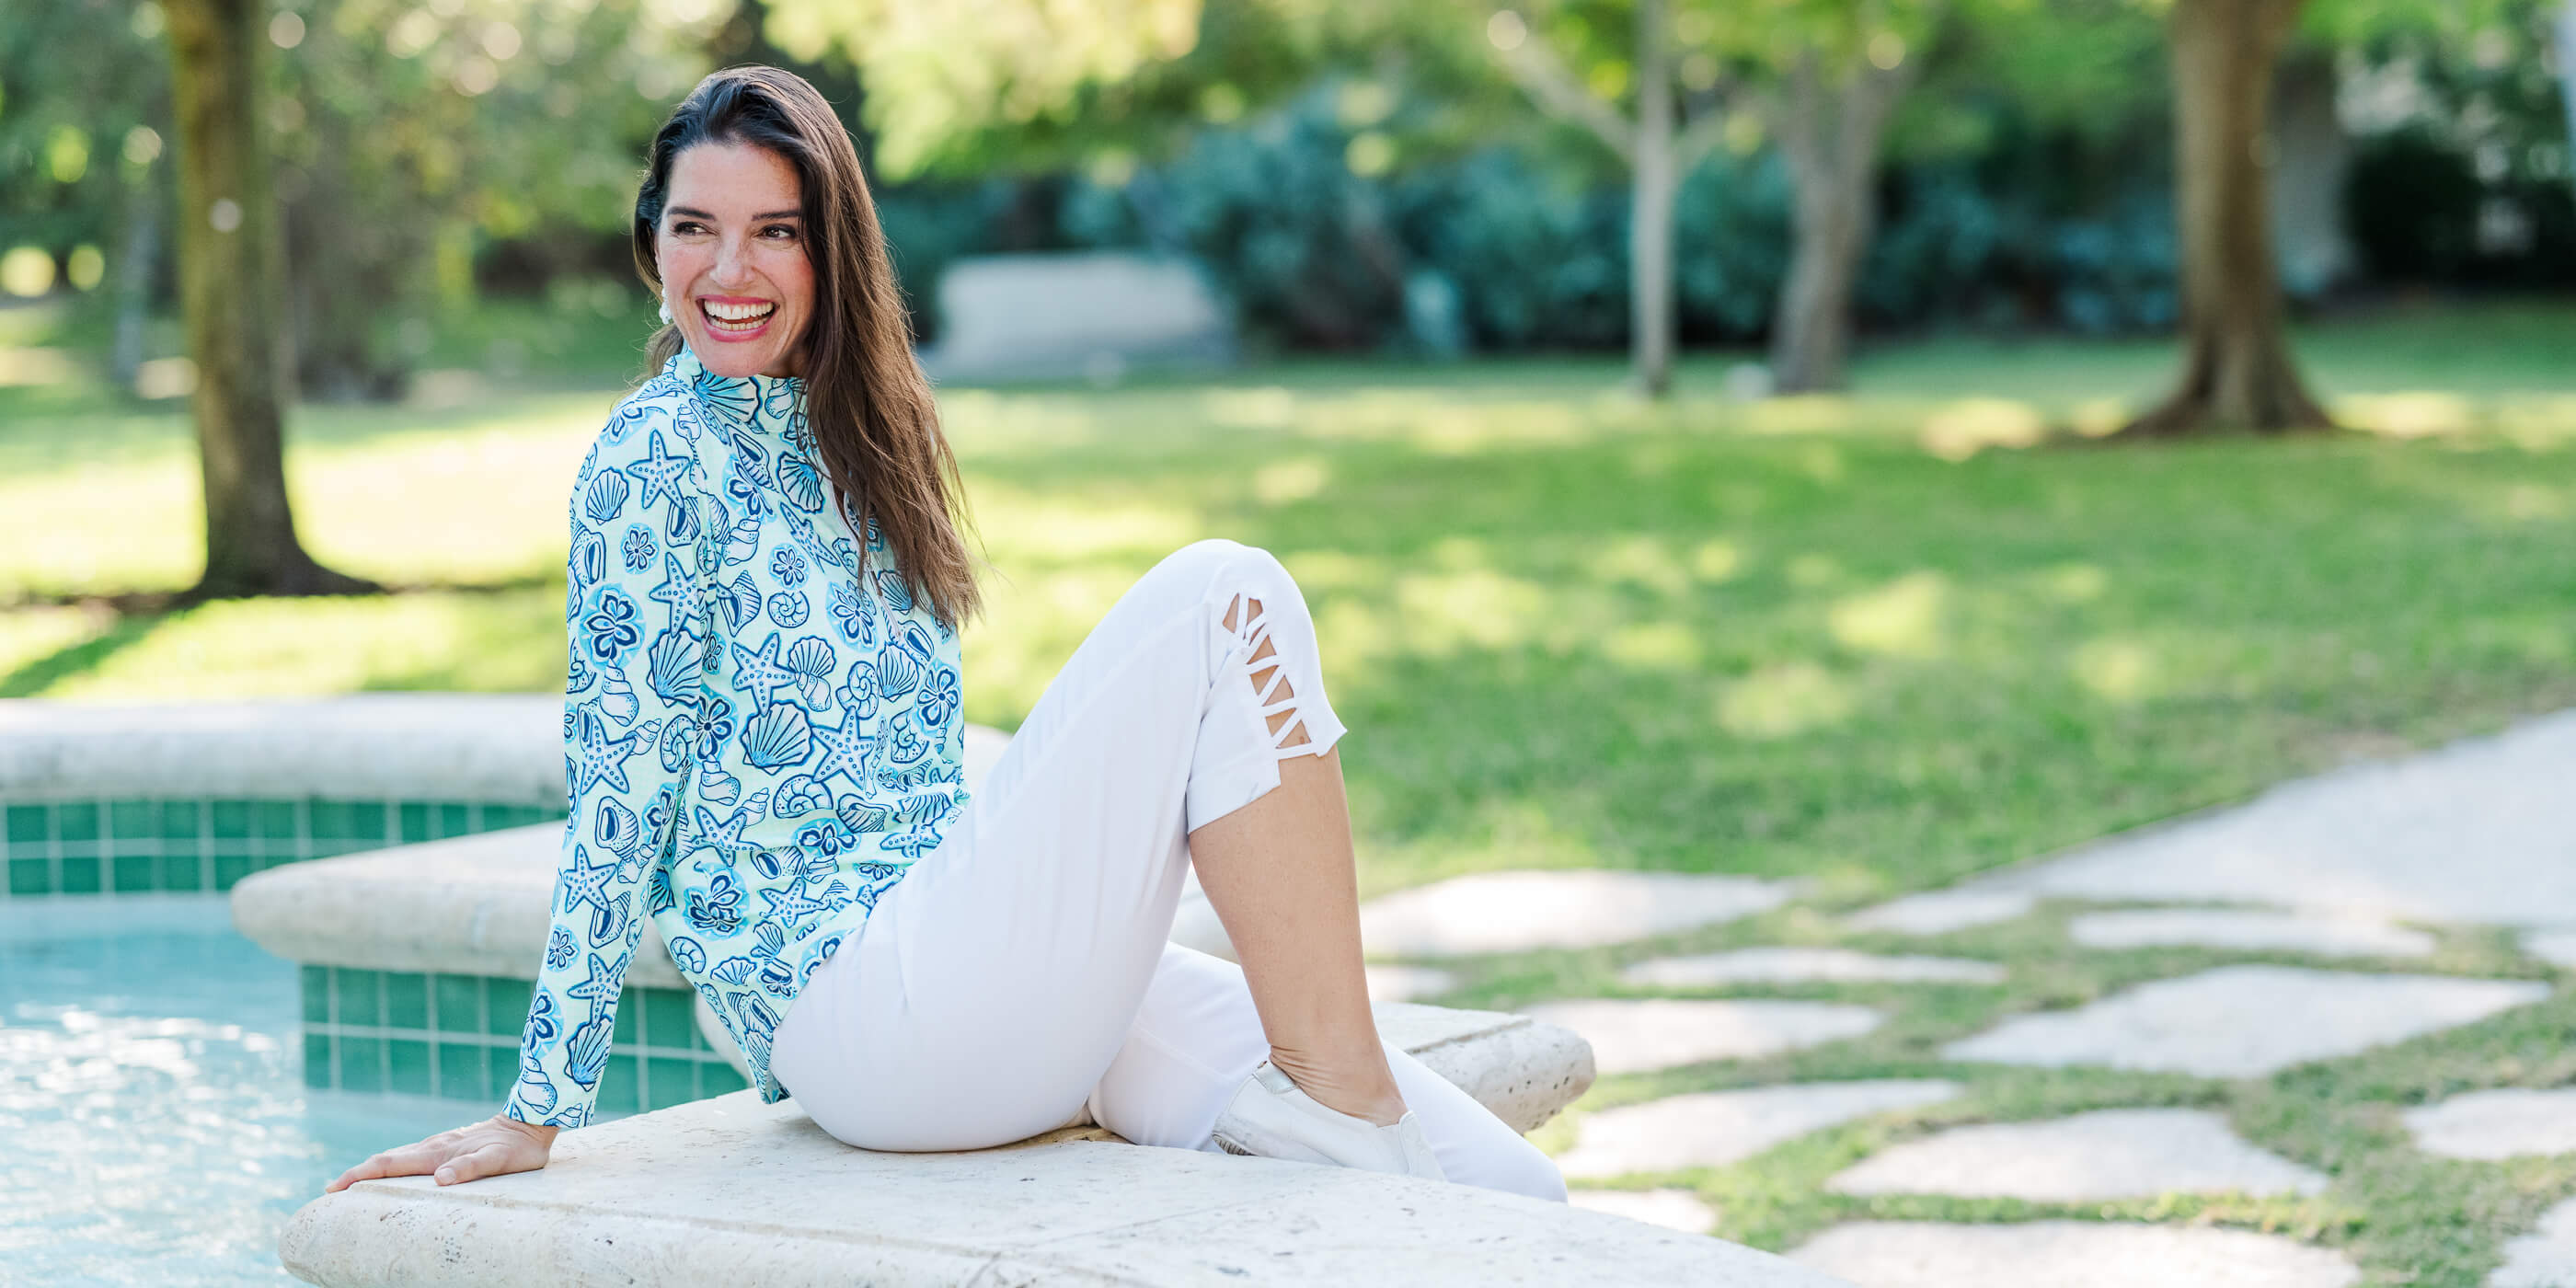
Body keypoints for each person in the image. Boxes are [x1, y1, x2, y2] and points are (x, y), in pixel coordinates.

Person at [326, 64, 1564, 1203]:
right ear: (650, 239)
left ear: (832, 251)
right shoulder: (650, 461)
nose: (727, 271)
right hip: (865, 1015)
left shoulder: (867, 441)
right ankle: (1337, 1101)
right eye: (694, 227)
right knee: (1224, 596)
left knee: (1508, 1192)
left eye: (775, 231)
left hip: (973, 963)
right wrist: (540, 1106)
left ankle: (1346, 1105)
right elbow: (618, 794)